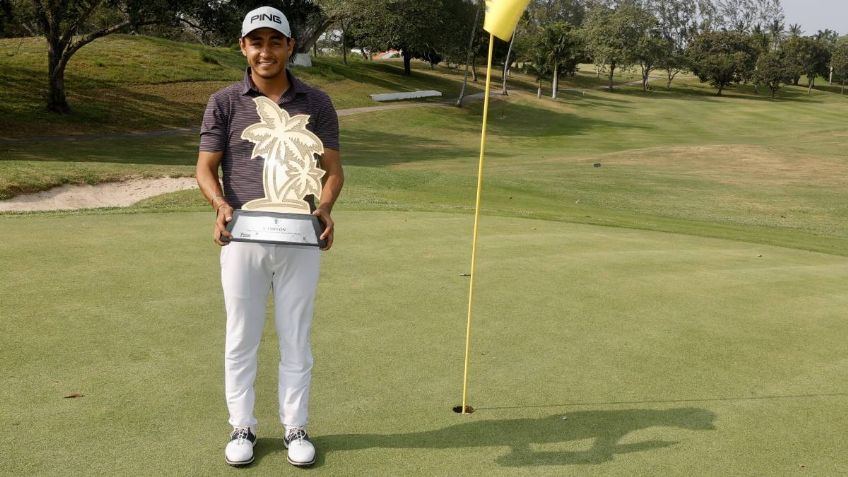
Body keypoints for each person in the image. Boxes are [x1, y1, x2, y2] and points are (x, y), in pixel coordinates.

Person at [195, 5, 343, 468]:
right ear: (243, 47)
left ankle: (295, 426)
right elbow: (205, 167)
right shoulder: (224, 102)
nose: (266, 51)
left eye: (275, 42)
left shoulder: (316, 102)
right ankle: (242, 425)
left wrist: (324, 208)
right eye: (256, 42)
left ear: (289, 47)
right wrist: (220, 206)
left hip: (300, 237)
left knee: (295, 335)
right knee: (241, 336)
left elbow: (333, 172)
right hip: (243, 237)